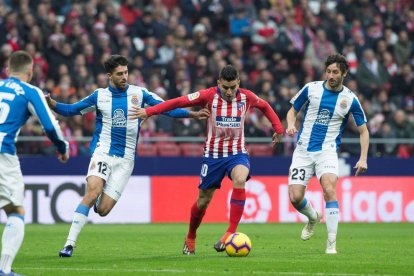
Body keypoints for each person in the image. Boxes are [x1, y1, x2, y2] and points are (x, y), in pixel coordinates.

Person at [46, 55, 209, 258]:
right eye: (119, 74)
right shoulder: (99, 96)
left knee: (103, 210)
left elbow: (166, 108)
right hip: (103, 152)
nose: (124, 76)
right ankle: (69, 244)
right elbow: (72, 110)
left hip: (125, 161)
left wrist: (192, 114)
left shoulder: (139, 94)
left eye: (126, 72)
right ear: (109, 76)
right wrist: (53, 105)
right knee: (92, 191)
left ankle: (97, 202)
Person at [130, 65, 284, 255]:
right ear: (219, 83)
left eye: (233, 87)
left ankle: (230, 233)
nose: (229, 91)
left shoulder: (247, 97)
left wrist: (278, 128)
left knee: (240, 179)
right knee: (203, 201)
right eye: (225, 87)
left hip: (237, 153)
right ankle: (191, 235)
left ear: (238, 83)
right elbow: (178, 102)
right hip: (212, 156)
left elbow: (265, 106)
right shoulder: (208, 95)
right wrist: (149, 111)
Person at [285, 54, 369, 254]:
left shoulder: (350, 99)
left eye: (335, 72)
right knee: (295, 197)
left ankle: (331, 243)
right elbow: (292, 111)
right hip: (303, 150)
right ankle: (313, 216)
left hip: (328, 151)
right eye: (328, 71)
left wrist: (363, 158)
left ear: (344, 73)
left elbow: (364, 130)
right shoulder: (311, 88)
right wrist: (290, 124)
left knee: (329, 189)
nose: (331, 75)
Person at [0, 51, 69, 276]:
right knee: (15, 210)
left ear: (8, 70)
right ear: (30, 72)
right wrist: (62, 148)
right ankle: (4, 269)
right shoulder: (30, 91)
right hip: (3, 153)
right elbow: (49, 125)